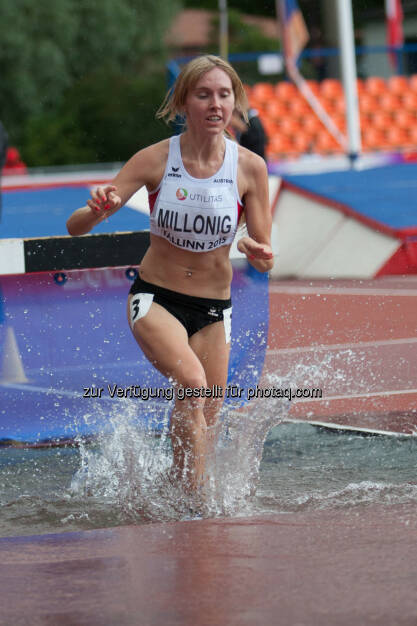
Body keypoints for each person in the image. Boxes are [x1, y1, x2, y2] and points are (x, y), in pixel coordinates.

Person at [66, 55, 274, 493]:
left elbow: (263, 259)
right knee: (193, 385)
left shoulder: (251, 168)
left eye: (224, 94)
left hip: (215, 310)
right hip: (156, 300)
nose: (215, 104)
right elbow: (75, 227)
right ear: (183, 103)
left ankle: (174, 494)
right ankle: (197, 513)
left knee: (207, 421)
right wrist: (96, 209)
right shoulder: (156, 159)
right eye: (203, 95)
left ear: (235, 103)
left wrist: (255, 250)